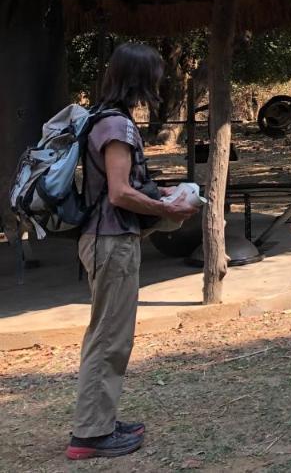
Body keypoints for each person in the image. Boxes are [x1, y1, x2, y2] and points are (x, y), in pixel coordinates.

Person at [67, 43, 199, 460]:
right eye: (155, 75)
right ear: (140, 79)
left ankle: (100, 421)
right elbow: (120, 194)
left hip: (106, 240)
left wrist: (156, 191)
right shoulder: (117, 127)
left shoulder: (105, 119)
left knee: (109, 336)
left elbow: (116, 186)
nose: (160, 83)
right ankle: (89, 436)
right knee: (109, 338)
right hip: (112, 243)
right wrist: (167, 207)